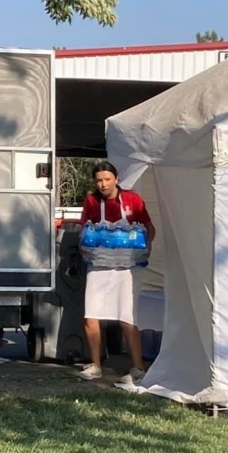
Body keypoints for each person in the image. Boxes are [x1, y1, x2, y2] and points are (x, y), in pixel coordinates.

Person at [78, 160, 155, 388]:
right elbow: (84, 229)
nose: (103, 184)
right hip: (99, 265)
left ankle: (138, 368)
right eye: (99, 180)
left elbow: (149, 228)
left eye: (107, 179)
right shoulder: (92, 201)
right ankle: (95, 366)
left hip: (128, 268)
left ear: (116, 179)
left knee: (127, 318)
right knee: (91, 314)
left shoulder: (133, 200)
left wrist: (146, 247)